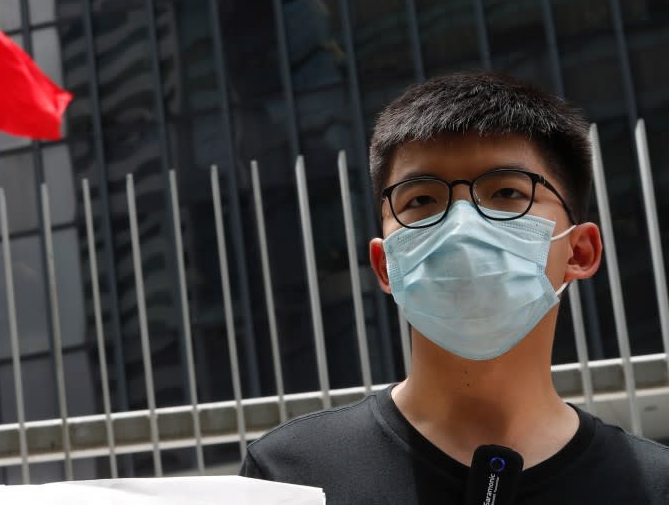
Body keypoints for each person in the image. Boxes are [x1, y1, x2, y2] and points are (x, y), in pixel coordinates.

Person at [239, 72, 669, 504]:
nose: (461, 227)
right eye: (421, 200)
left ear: (579, 251)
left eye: (505, 192)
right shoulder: (290, 476)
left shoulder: (653, 486)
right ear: (385, 265)